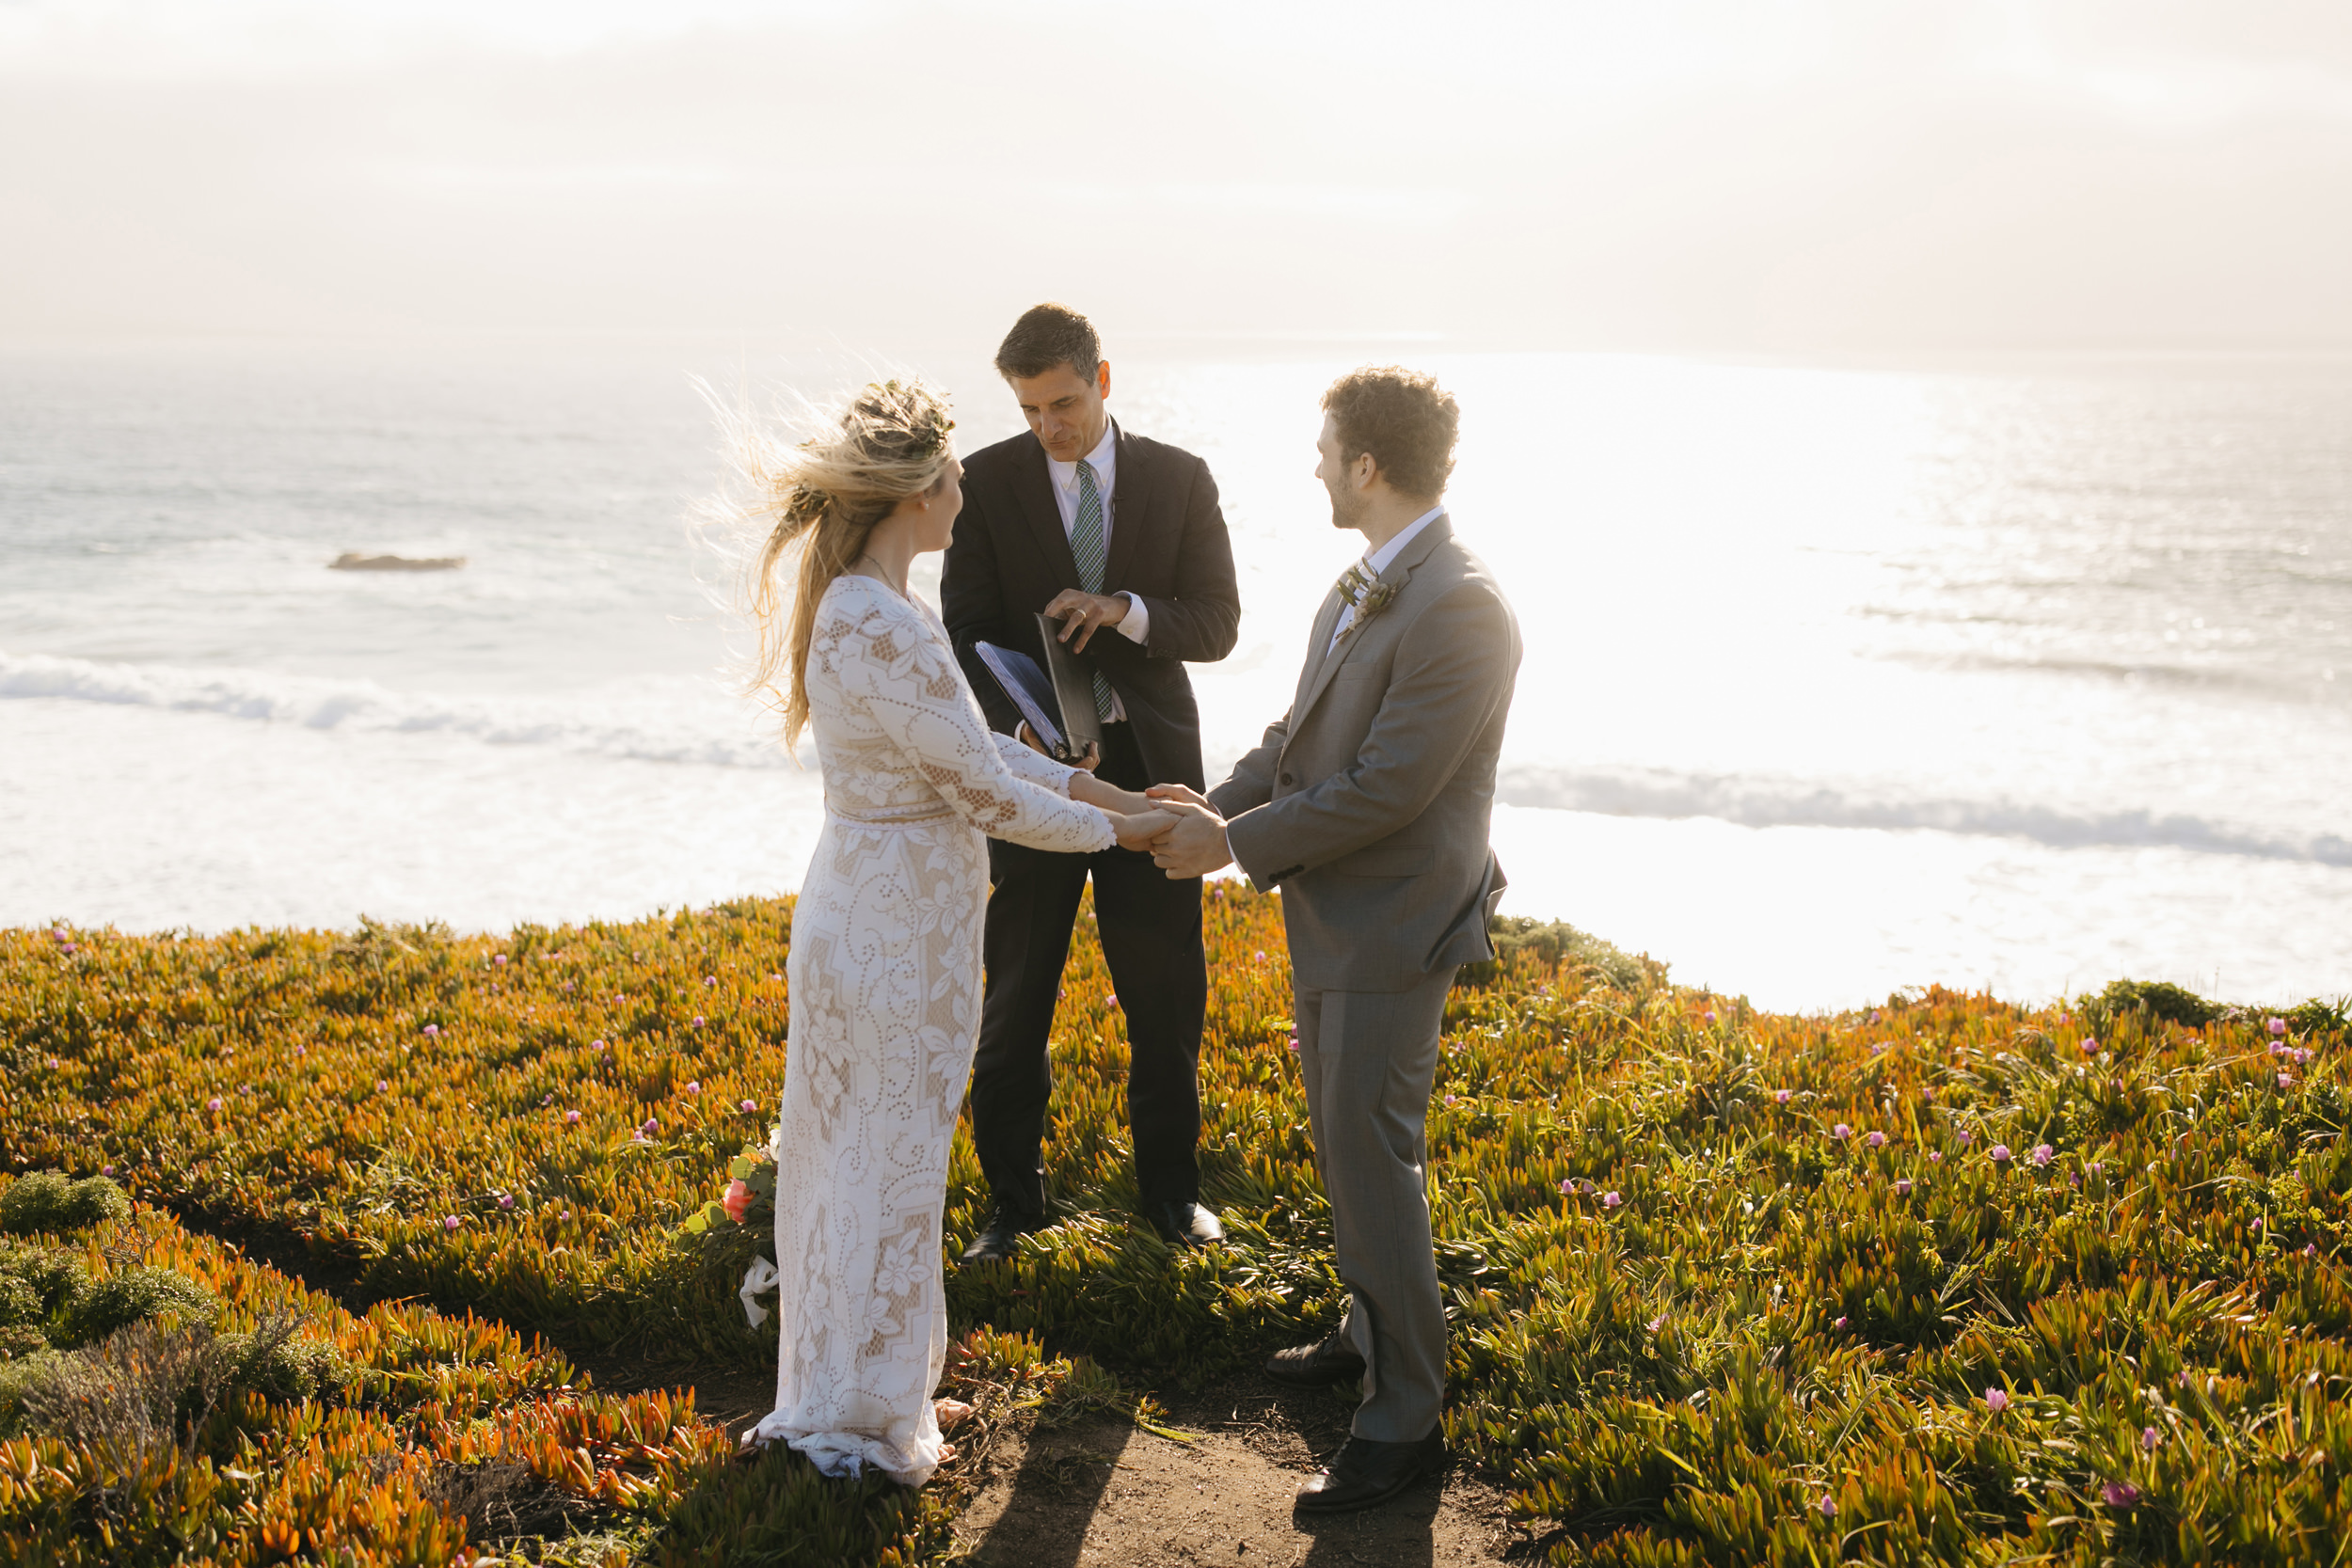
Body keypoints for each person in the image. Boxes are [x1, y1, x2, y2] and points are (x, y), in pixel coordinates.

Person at [728, 380, 1171, 1485]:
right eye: (957, 468)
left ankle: (876, 1389)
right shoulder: (877, 616)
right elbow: (988, 790)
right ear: (920, 488)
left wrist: (1126, 802)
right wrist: (1124, 838)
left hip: (883, 908)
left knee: (869, 1154)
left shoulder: (872, 604)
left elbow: (988, 757)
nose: (972, 479)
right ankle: (864, 1410)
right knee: (885, 1156)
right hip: (893, 927)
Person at [1145, 367, 1520, 1513]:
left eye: (1325, 448)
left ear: (1367, 464)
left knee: (1373, 1157)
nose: (1313, 462)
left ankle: (1404, 1420)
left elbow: (1387, 788)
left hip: (1394, 924)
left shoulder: (1461, 602)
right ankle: (1368, 1330)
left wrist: (1231, 844)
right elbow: (1296, 737)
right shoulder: (1362, 584)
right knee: (1345, 1143)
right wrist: (1209, 805)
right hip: (1334, 919)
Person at [942, 304, 1241, 1258]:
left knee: (1163, 991)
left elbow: (1217, 622)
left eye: (1062, 403)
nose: (1048, 427)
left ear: (1101, 380)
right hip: (1031, 775)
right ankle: (1013, 1203)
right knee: (1018, 983)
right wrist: (1021, 726)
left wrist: (1123, 610)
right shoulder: (985, 482)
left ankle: (1169, 1193)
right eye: (1030, 409)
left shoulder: (1178, 478)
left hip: (1152, 772)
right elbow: (963, 627)